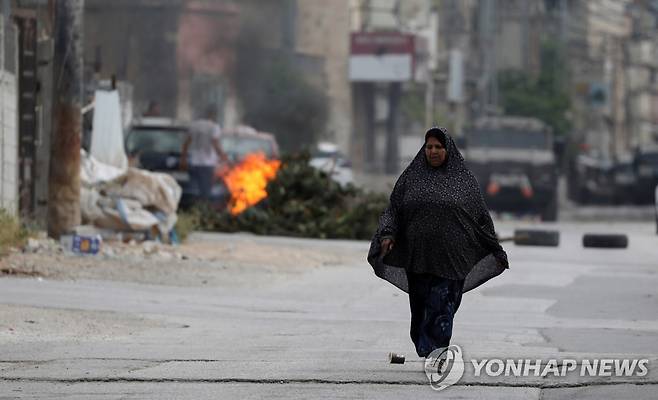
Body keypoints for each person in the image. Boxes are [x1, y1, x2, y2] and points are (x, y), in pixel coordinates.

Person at [367, 126, 509, 359]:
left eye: (438, 147)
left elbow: (481, 218)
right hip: (418, 256)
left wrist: (495, 249)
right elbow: (394, 209)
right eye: (429, 147)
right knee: (421, 306)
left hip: (452, 257)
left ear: (448, 150)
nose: (433, 151)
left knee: (442, 305)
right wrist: (387, 235)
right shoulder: (411, 178)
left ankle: (438, 350)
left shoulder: (464, 181)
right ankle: (427, 345)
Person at [181, 105, 228, 202]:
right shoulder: (214, 127)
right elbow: (215, 143)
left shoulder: (194, 125)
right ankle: (203, 209)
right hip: (207, 164)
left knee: (194, 189)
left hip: (193, 162)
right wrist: (223, 157)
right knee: (205, 190)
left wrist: (183, 159)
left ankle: (193, 208)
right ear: (213, 115)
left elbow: (186, 144)